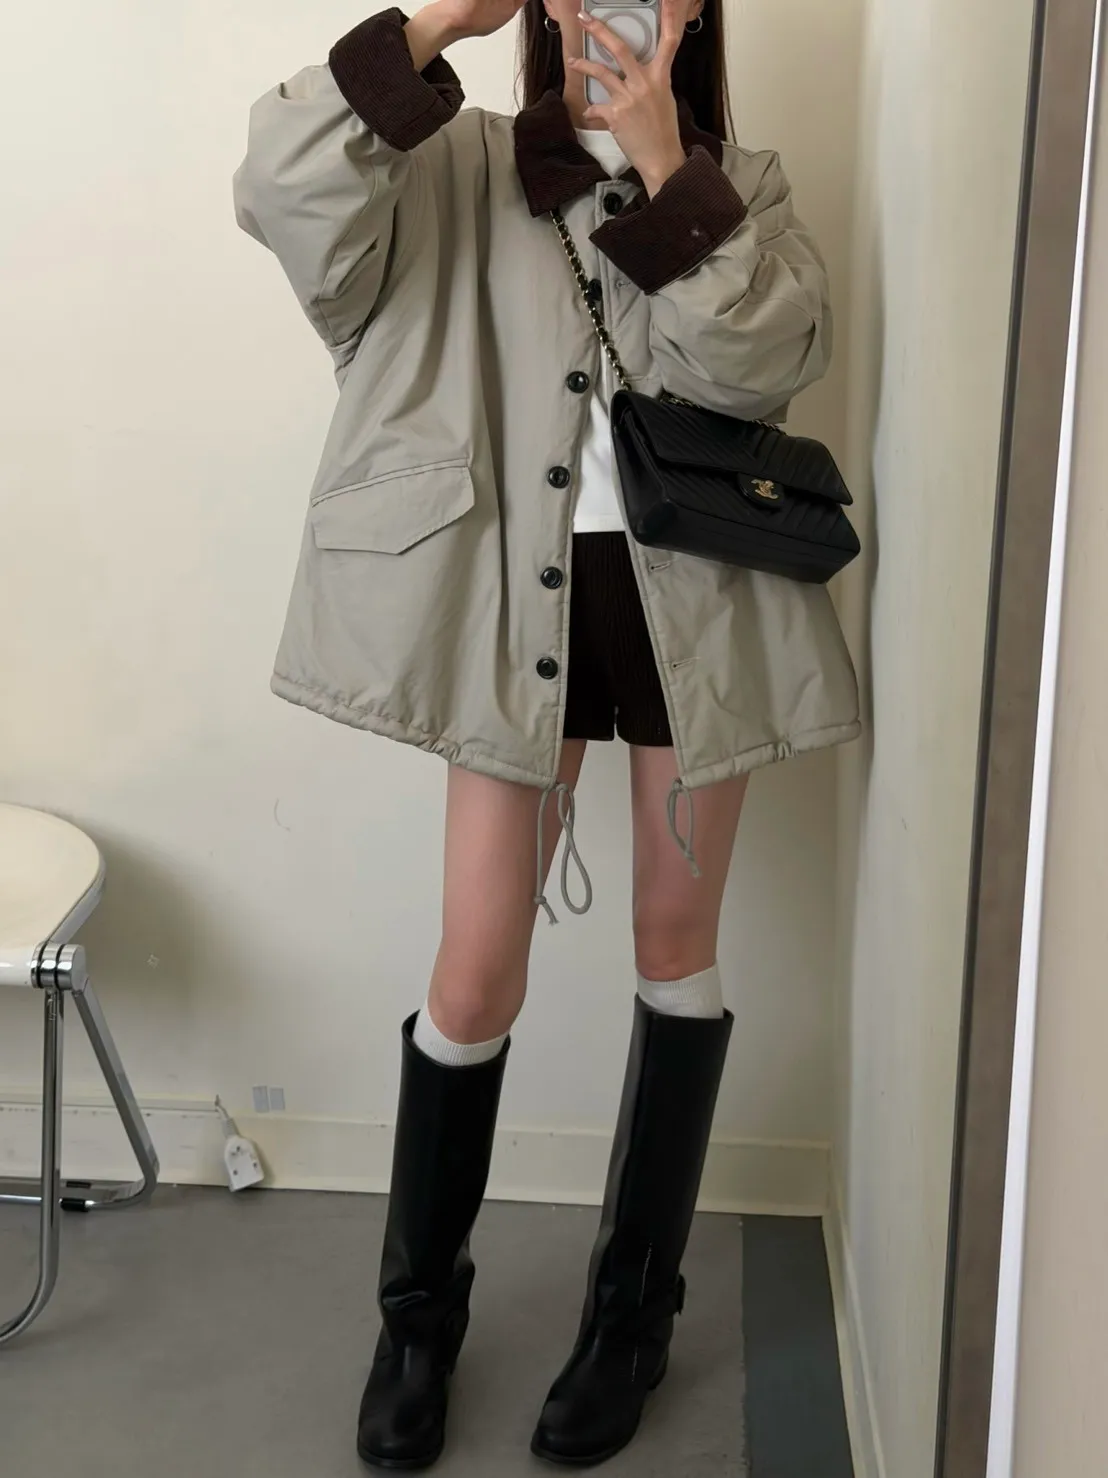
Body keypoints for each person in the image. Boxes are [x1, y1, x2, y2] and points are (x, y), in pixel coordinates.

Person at [233, 0, 859, 1467]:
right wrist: (439, 17)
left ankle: (632, 1319)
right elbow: (279, 187)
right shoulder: (445, 163)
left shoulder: (742, 183)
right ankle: (416, 1325)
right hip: (501, 601)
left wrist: (668, 175)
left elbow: (764, 362)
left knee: (675, 943)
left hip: (696, 602)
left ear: (691, 12)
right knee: (475, 965)